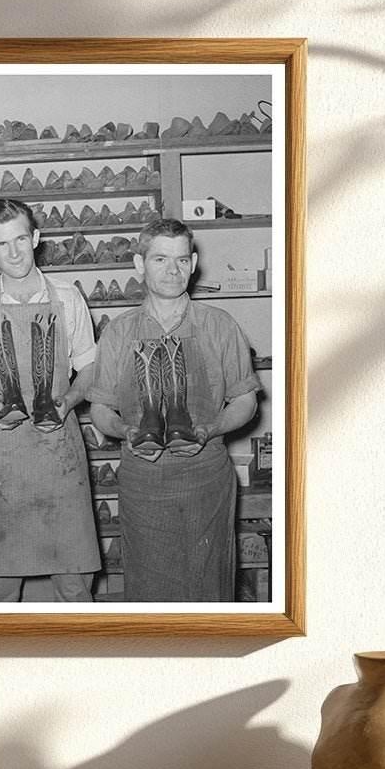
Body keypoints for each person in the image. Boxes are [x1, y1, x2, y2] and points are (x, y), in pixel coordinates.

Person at [88, 218, 261, 602]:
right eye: (160, 259)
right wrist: (126, 431)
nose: (173, 270)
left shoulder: (220, 325)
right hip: (143, 480)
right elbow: (100, 408)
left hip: (206, 478)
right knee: (150, 593)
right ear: (139, 264)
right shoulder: (118, 332)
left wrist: (212, 428)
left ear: (193, 263)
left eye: (181, 260)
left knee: (209, 586)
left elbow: (245, 401)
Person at [0, 198, 100, 602]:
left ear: (35, 237)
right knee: (0, 589)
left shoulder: (68, 298)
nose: (13, 253)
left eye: (19, 240)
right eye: (1, 244)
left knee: (74, 586)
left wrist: (70, 400)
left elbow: (89, 368)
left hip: (58, 454)